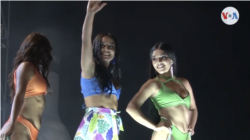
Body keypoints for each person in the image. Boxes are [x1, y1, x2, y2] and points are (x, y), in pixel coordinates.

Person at [126, 43, 198, 140]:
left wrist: (192, 125)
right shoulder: (154, 84)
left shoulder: (184, 82)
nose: (158, 61)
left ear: (171, 59)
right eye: (154, 58)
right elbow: (131, 108)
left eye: (163, 57)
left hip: (186, 136)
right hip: (167, 134)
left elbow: (193, 108)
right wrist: (155, 127)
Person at [74, 0, 123, 139]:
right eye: (102, 46)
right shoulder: (90, 69)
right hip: (94, 127)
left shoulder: (114, 81)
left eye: (111, 46)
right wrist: (90, 14)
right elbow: (85, 41)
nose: (106, 49)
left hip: (111, 128)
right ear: (96, 49)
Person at [0, 32, 53, 140]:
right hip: (21, 124)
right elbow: (19, 95)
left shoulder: (34, 69)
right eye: (44, 50)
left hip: (31, 129)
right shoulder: (25, 66)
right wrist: (12, 123)